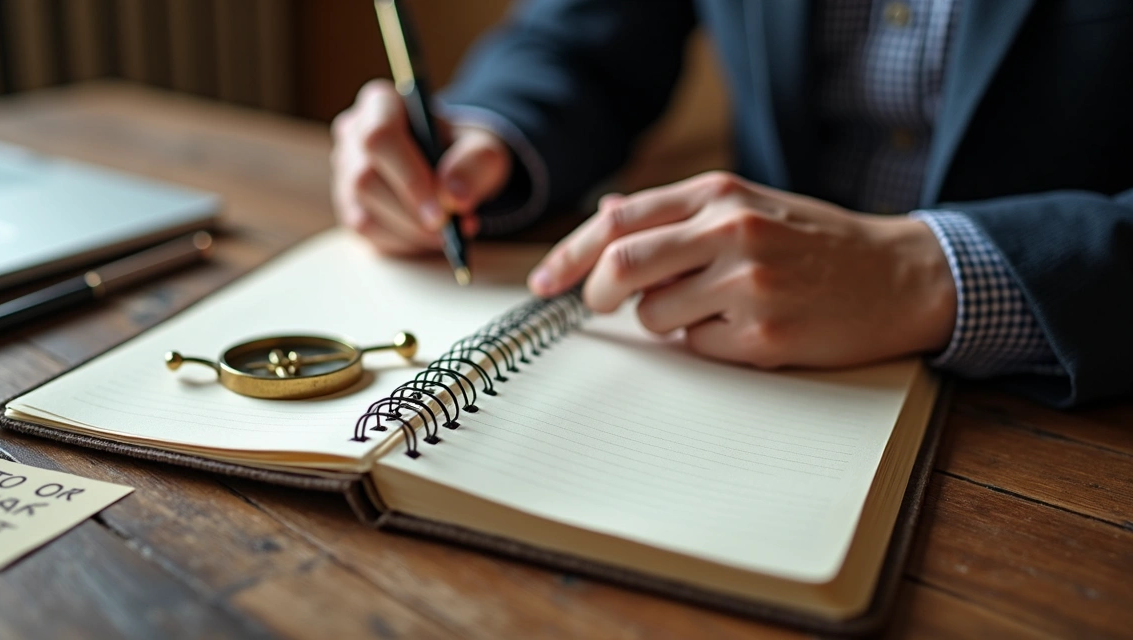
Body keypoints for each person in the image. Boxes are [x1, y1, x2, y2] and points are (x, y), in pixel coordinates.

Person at [329, 0, 1133, 407]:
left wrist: (934, 276)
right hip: (749, 356)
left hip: (1071, 396)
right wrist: (484, 141)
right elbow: (579, 38)